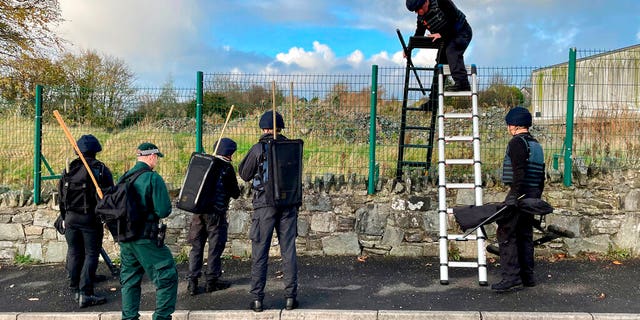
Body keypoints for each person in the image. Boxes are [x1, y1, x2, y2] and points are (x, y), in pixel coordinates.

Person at [238, 111, 300, 312]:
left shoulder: (259, 148)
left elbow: (245, 174)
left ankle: (257, 299)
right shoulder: (292, 147)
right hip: (289, 204)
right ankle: (290, 297)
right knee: (288, 250)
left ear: (264, 128)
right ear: (280, 128)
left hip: (264, 205)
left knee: (260, 251)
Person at [119, 142, 178, 320]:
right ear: (151, 156)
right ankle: (161, 317)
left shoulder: (124, 177)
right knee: (167, 276)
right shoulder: (153, 178)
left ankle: (129, 318)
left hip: (125, 237)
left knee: (130, 280)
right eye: (156, 158)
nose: (157, 162)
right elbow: (163, 210)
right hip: (145, 237)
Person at [493, 107, 546, 292]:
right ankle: (527, 277)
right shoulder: (536, 145)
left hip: (520, 194)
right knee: (525, 234)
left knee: (506, 234)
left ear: (514, 125)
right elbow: (541, 177)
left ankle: (511, 277)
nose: (508, 127)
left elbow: (519, 172)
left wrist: (513, 197)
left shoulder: (517, 143)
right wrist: (536, 197)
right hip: (532, 195)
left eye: (509, 124)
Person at [59, 134, 114, 308]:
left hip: (70, 218)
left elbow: (61, 196)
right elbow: (110, 195)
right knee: (91, 254)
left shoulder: (69, 169)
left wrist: (64, 217)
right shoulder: (100, 169)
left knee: (75, 251)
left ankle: (75, 285)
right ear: (95, 150)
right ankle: (85, 293)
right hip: (90, 219)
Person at [186, 138, 241, 295]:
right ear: (229, 153)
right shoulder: (226, 168)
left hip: (198, 212)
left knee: (196, 246)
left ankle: (192, 282)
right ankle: (212, 280)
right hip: (216, 213)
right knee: (215, 247)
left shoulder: (202, 163)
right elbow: (235, 193)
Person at [406, 0, 472, 91]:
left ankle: (463, 84)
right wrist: (408, 49)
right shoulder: (421, 18)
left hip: (461, 32)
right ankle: (433, 100)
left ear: (426, 1)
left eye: (418, 9)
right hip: (447, 38)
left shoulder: (442, 2)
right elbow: (419, 34)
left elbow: (453, 20)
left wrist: (441, 34)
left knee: (451, 51)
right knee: (440, 64)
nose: (417, 12)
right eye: (415, 11)